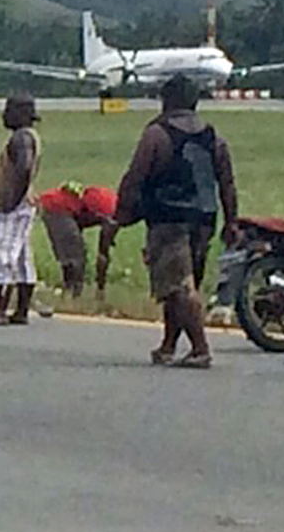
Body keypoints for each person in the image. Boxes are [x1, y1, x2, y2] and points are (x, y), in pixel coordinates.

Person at [114, 73, 238, 369]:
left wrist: (121, 215)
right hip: (204, 219)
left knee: (178, 286)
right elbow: (227, 183)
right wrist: (231, 220)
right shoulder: (213, 137)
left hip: (168, 218)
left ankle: (200, 348)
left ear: (166, 100)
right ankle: (168, 345)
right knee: (182, 283)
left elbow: (135, 176)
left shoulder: (156, 134)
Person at [0, 94, 43, 326]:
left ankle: (0, 310)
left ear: (22, 114)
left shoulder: (21, 139)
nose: (4, 116)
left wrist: (11, 201)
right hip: (20, 204)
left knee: (4, 255)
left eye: (9, 111)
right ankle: (21, 310)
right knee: (22, 258)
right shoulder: (27, 137)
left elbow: (24, 168)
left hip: (13, 207)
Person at [36, 183, 120, 298]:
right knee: (74, 254)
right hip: (58, 207)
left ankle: (71, 290)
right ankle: (73, 293)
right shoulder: (112, 212)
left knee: (73, 252)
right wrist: (101, 287)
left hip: (59, 205)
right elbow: (103, 253)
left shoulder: (111, 200)